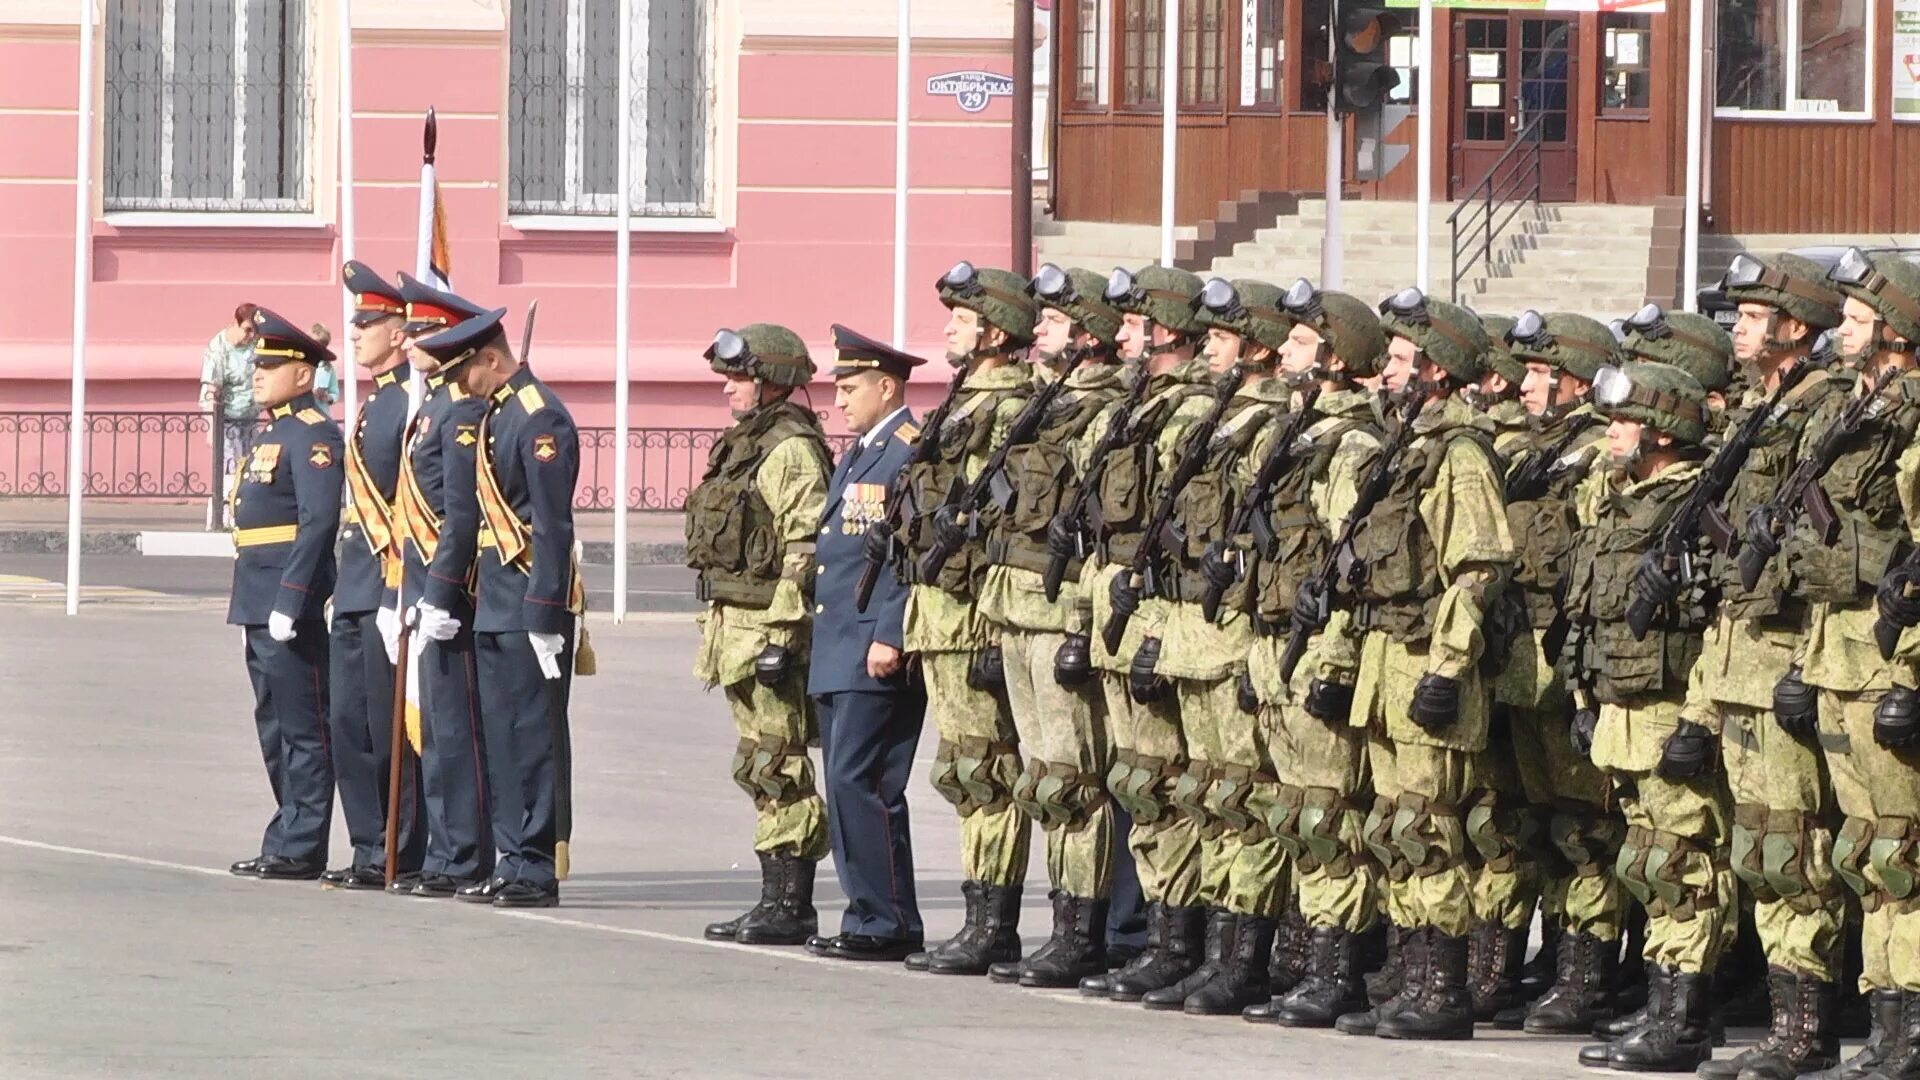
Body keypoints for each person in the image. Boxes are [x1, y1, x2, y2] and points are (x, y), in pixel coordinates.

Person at [1658, 253, 1848, 1080]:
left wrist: (1808, 665)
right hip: (1735, 662)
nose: (1738, 324)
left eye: (1753, 313)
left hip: (1783, 662)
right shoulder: (1764, 410)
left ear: (1795, 328)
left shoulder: (1823, 409)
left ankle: (1805, 1031)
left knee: (1793, 853)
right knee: (1759, 855)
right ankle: (1783, 1024)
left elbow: (1827, 564)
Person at [1337, 283, 1513, 1041]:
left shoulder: (1461, 454)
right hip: (1385, 663)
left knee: (1431, 829)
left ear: (1438, 369)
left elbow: (1478, 568)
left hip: (1425, 667)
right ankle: (1412, 976)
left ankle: (1444, 992)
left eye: (1403, 357)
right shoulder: (1403, 446)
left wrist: (1446, 668)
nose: (1386, 368)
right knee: (1395, 828)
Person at [1138, 277, 1295, 1016]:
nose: (1206, 349)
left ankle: (1243, 962)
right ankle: (1198, 950)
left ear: (1255, 349)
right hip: (1190, 629)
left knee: (1242, 800)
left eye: (1222, 340)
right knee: (1204, 795)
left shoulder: (1271, 425)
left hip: (1232, 632)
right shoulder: (1218, 417)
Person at [1563, 360, 1725, 1073]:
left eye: (1626, 422)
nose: (1612, 434)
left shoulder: (1702, 506)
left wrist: (1700, 716)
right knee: (1646, 861)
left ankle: (1683, 1021)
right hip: (1622, 706)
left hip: (1669, 704)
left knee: (1682, 863)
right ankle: (1662, 1006)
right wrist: (1582, 700)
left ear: (1662, 431)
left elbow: (1726, 618)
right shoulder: (1624, 501)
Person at [1782, 248, 1920, 1080]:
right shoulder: (1855, 413)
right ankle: (1886, 1026)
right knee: (1866, 855)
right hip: (1839, 660)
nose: (1844, 330)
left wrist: (1910, 675)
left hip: (1886, 665)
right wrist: (1804, 660)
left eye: (1860, 320)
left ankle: (1908, 1035)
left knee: (1902, 854)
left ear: (1897, 331)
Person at [876, 263, 1036, 976]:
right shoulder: (963, 403)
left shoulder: (1007, 408)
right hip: (937, 610)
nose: (948, 330)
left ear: (995, 332)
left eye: (962, 320)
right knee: (964, 770)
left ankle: (994, 923)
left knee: (987, 767)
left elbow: (1000, 520)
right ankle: (981, 915)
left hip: (971, 613)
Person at [1237, 281, 1390, 1028]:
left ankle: (1339, 971)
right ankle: (1302, 960)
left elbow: (1351, 568)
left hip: (1317, 651)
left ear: (1335, 357)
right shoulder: (1295, 435)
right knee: (1298, 814)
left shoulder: (1350, 446)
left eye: (1301, 342)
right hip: (1274, 649)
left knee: (1332, 818)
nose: (1286, 351)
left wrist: (1334, 664)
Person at [976, 265, 1129, 988]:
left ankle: (1080, 933)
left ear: (1090, 337)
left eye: (1058, 324)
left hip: (1056, 609)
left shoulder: (1105, 415)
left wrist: (1077, 624)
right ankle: (1048, 922)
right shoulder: (1043, 407)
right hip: (1014, 607)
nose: (1040, 333)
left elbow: (1102, 532)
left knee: (1073, 781)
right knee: (1041, 779)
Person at [417, 301, 585, 909]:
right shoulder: (498, 414)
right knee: (500, 738)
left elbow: (551, 526)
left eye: (467, 374)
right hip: (494, 597)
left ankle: (535, 867)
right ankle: (510, 858)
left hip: (527, 602)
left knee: (531, 737)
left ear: (491, 359)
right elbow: (470, 519)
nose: (462, 388)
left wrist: (544, 612)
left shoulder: (540, 420)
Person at [1078, 264, 1216, 1001]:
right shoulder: (1136, 406)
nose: (1121, 333)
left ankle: (1177, 942)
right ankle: (1153, 938)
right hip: (1117, 610)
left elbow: (1179, 542)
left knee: (1169, 786)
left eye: (1134, 322)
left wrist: (1156, 633)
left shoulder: (1192, 415)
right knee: (1139, 782)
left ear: (1164, 327)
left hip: (1157, 618)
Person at [1491, 311, 1627, 1035]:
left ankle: (1588, 976)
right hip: (1521, 655)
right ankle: (1541, 968)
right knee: (1541, 821)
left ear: (1576, 378)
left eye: (1542, 373)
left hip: (1566, 655)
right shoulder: (1531, 451)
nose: (1529, 385)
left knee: (1588, 826)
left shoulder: (1593, 458)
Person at [686, 323, 832, 946]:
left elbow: (805, 543)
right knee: (759, 762)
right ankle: (774, 896)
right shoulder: (746, 444)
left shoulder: (789, 448)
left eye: (741, 377)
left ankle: (790, 904)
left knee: (781, 763)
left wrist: (784, 632)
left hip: (769, 630)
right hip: (734, 626)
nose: (729, 388)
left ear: (775, 380)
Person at [805, 323, 930, 962]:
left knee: (864, 781)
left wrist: (891, 633)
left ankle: (883, 920)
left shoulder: (907, 450)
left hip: (872, 648)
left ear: (888, 386)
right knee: (847, 782)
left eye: (851, 388)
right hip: (839, 644)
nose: (840, 400)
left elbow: (912, 555)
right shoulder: (860, 452)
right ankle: (873, 914)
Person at [224, 308, 344, 881]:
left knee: (303, 727)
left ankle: (302, 843)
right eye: (257, 363)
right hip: (256, 594)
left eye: (270, 365)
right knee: (273, 725)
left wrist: (291, 599)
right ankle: (287, 831)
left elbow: (318, 522)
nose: (258, 372)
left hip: (285, 603)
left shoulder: (315, 436)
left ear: (304, 374)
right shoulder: (274, 432)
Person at [388, 273, 497, 900]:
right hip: (424, 584)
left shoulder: (462, 413)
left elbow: (461, 514)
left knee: (457, 729)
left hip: (454, 593)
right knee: (436, 726)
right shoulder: (432, 406)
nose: (407, 341)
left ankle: (464, 855)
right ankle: (445, 849)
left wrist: (441, 592)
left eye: (421, 332)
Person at [321, 262, 424, 889]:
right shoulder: (378, 403)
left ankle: (400, 848)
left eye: (369, 322)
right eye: (355, 321)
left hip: (389, 583)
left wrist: (396, 590)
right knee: (348, 726)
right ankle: (366, 845)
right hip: (356, 583)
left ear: (400, 331)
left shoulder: (406, 403)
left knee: (391, 733)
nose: (355, 332)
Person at [203, 302, 260, 527]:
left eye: (254, 330)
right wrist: (211, 427)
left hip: (248, 417)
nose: (251, 335)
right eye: (247, 329)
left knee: (247, 465)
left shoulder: (254, 345)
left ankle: (242, 516)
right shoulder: (219, 348)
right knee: (228, 466)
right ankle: (221, 517)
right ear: (236, 323)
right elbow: (211, 390)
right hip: (225, 419)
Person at [309, 323, 339, 411]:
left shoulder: (327, 368)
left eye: (322, 346)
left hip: (323, 412)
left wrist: (328, 397)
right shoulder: (302, 364)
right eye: (315, 345)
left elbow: (335, 392)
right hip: (306, 413)